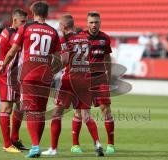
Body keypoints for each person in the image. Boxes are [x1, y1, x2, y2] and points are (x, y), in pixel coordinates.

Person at [0, 1, 61, 158]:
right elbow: (61, 58)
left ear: (33, 12)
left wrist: (3, 65)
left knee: (31, 111)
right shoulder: (53, 32)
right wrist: (52, 71)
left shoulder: (25, 28)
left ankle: (35, 147)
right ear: (47, 14)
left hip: (28, 75)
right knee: (40, 112)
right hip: (45, 76)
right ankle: (36, 145)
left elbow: (13, 51)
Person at [42, 14, 104, 157]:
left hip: (69, 80)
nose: (59, 28)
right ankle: (98, 143)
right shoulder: (84, 38)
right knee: (86, 115)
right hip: (85, 79)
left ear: (63, 27)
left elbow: (63, 60)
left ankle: (53, 149)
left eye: (59, 26)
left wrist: (50, 72)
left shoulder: (65, 39)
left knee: (57, 113)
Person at [71, 11, 115, 154]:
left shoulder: (105, 38)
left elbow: (107, 58)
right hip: (82, 79)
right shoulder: (80, 37)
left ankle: (110, 145)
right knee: (79, 112)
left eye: (96, 22)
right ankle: (75, 144)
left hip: (100, 78)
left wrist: (109, 76)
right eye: (91, 22)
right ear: (87, 23)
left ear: (100, 22)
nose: (94, 25)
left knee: (106, 110)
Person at [0, 8, 28, 153]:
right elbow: (13, 51)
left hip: (9, 72)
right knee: (7, 108)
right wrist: (2, 66)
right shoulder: (14, 35)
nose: (24, 25)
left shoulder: (4, 32)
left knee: (20, 106)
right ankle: (7, 144)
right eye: (22, 22)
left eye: (26, 22)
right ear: (15, 20)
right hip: (8, 73)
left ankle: (14, 139)